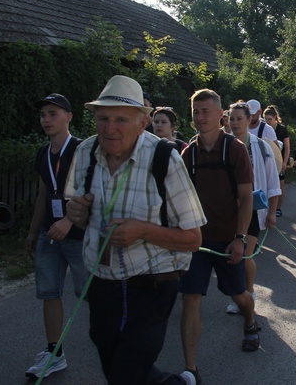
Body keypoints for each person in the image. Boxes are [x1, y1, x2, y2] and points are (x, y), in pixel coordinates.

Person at [65, 75, 205, 385]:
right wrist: (76, 213)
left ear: (142, 122)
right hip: (101, 284)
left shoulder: (164, 158)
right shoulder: (86, 152)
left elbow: (194, 240)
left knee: (124, 375)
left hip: (151, 287)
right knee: (117, 365)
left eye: (120, 120)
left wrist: (143, 231)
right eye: (103, 118)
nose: (109, 128)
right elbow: (78, 215)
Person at [180, 89, 259, 383]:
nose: (200, 117)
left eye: (206, 112)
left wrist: (239, 237)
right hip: (196, 241)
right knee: (190, 298)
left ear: (220, 116)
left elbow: (246, 197)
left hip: (228, 240)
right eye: (195, 112)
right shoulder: (188, 154)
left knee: (238, 294)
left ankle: (250, 322)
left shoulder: (234, 149)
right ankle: (191, 370)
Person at [24, 93, 86, 379]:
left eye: (53, 113)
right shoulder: (42, 153)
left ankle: (117, 344)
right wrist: (33, 231)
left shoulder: (82, 150)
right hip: (50, 235)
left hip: (78, 235)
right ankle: (54, 352)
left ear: (68, 116)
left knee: (93, 294)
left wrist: (67, 221)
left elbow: (90, 193)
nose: (46, 120)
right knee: (50, 294)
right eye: (43, 115)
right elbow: (42, 194)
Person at [225, 102, 280, 314]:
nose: (235, 123)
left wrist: (272, 212)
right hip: (228, 211)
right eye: (232, 119)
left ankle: (248, 292)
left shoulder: (261, 146)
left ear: (249, 120)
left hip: (253, 209)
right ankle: (237, 295)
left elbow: (272, 181)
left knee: (246, 255)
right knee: (231, 256)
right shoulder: (224, 145)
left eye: (239, 118)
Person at [263, 105, 290, 218]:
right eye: (266, 119)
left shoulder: (281, 129)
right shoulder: (263, 129)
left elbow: (287, 147)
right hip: (267, 161)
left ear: (275, 118)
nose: (268, 122)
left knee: (280, 184)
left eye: (270, 119)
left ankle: (278, 207)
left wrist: (284, 162)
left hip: (279, 160)